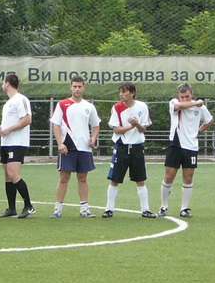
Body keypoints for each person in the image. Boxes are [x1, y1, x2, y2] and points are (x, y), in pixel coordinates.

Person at [159, 83, 213, 218]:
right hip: (175, 144)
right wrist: (196, 103)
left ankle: (184, 208)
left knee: (188, 177)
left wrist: (199, 131)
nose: (184, 99)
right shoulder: (175, 103)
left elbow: (210, 120)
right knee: (169, 176)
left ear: (192, 94)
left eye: (187, 96)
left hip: (191, 146)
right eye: (182, 97)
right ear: (178, 96)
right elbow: (179, 106)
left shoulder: (200, 107)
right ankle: (164, 206)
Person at [49, 75, 100, 218]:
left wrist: (93, 137)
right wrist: (60, 143)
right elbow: (56, 125)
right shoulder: (62, 104)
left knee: (82, 177)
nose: (77, 89)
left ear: (84, 88)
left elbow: (96, 125)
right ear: (71, 87)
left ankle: (84, 209)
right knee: (64, 177)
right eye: (75, 86)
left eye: (80, 86)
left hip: (84, 147)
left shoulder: (89, 106)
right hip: (68, 146)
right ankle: (58, 209)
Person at [103, 81, 156, 218]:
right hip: (121, 147)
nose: (121, 95)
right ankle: (109, 209)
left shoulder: (142, 107)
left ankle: (146, 210)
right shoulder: (117, 108)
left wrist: (137, 124)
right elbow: (116, 129)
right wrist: (130, 127)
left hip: (137, 148)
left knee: (140, 180)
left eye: (124, 92)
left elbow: (143, 128)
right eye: (120, 92)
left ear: (132, 93)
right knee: (114, 179)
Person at [0, 73, 34, 218]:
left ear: (8, 83)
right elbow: (9, 122)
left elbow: (27, 119)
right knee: (7, 175)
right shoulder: (9, 102)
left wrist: (8, 130)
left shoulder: (21, 99)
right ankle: (11, 208)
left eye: (3, 82)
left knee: (13, 173)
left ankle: (28, 206)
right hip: (7, 142)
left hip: (17, 143)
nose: (2, 84)